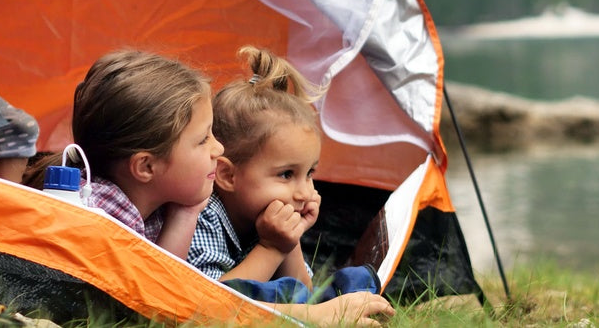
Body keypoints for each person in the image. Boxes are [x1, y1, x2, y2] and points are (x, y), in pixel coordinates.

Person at [187, 46, 393, 326]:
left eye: (309, 173)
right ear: (227, 176)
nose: (304, 192)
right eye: (286, 175)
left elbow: (303, 293)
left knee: (352, 281)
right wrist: (272, 248)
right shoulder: (203, 218)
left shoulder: (267, 217)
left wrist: (290, 242)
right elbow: (208, 305)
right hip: (218, 303)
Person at [24, 48, 222, 258]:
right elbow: (153, 289)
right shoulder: (104, 223)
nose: (219, 149)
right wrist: (185, 217)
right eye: (203, 140)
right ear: (145, 166)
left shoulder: (151, 199)